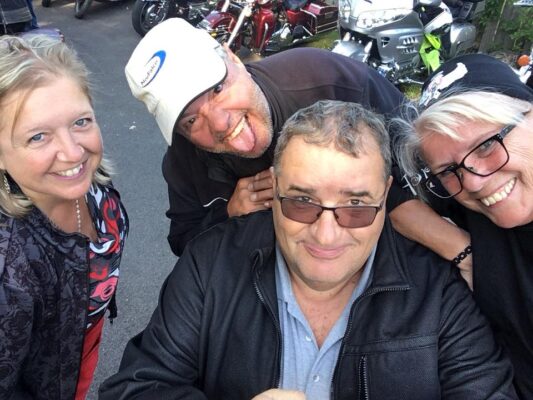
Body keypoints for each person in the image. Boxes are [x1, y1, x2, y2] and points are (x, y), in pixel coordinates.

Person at [99, 100, 516, 400]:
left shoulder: (438, 292)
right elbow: (136, 387)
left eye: (356, 206)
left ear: (385, 194)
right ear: (275, 187)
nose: (326, 235)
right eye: (302, 202)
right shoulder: (210, 265)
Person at [124, 18, 471, 269]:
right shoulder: (183, 161)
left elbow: (425, 161)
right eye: (190, 120)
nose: (219, 123)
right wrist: (227, 214)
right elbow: (183, 243)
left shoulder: (331, 81)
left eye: (217, 89)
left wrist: (460, 250)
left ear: (233, 58)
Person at [395, 53, 533, 399]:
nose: (473, 182)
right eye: (448, 171)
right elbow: (386, 188)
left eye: (486, 145)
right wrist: (462, 251)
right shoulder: (464, 205)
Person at [0, 34, 129, 399]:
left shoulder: (92, 183)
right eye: (38, 137)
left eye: (81, 121)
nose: (73, 153)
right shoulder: (9, 274)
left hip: (77, 353)